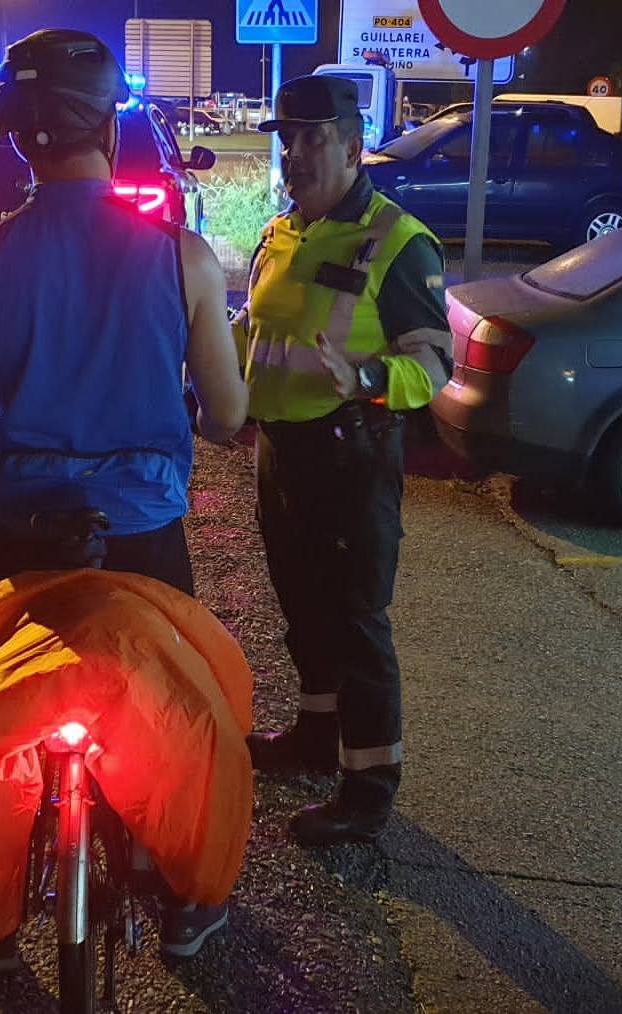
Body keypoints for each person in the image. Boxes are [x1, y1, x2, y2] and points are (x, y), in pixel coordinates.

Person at [0, 27, 248, 961]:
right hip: (143, 536)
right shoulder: (182, 257)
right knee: (181, 717)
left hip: (23, 535)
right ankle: (185, 899)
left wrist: (0, 427)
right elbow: (227, 415)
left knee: (1, 711)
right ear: (111, 125)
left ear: (18, 138)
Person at [236, 75, 453, 847]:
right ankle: (313, 741)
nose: (292, 154)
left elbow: (434, 367)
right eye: (285, 138)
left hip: (350, 455)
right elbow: (254, 334)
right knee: (303, 611)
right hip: (281, 452)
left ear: (354, 145)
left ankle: (367, 788)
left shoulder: (397, 241)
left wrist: (364, 378)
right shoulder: (279, 232)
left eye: (310, 138)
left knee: (356, 621)